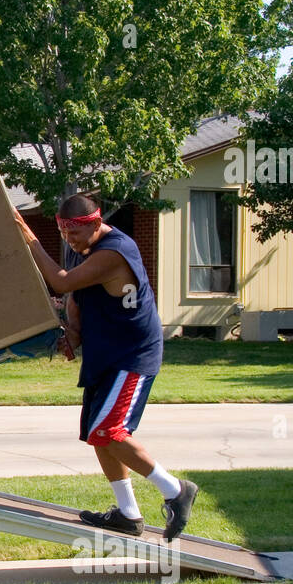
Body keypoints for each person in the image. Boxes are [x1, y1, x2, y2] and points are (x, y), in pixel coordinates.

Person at [13, 194, 197, 540]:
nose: (70, 240)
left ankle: (176, 490)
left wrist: (30, 237)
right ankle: (128, 515)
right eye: (64, 234)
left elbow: (63, 282)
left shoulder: (114, 251)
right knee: (96, 434)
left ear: (96, 224)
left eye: (76, 234)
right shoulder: (80, 245)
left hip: (132, 354)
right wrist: (75, 332)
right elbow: (75, 297)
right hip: (105, 352)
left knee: (108, 431)